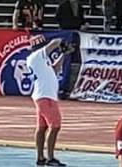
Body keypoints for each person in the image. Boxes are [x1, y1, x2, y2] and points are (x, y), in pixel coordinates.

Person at [28, 38, 74, 167]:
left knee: (42, 127)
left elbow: (54, 69)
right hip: (46, 96)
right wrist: (62, 41)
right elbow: (54, 43)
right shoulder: (37, 56)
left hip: (44, 95)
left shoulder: (40, 61)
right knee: (55, 126)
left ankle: (41, 157)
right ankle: (50, 157)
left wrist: (63, 53)